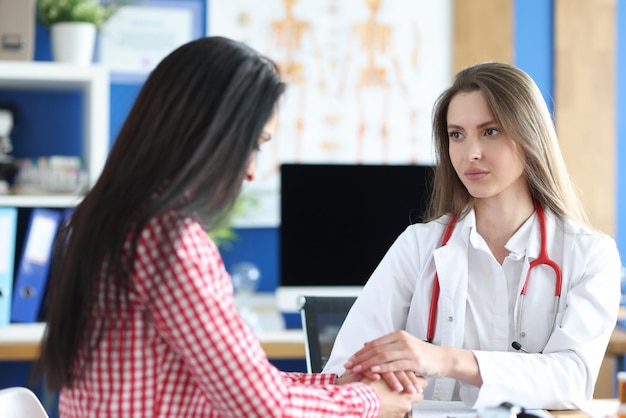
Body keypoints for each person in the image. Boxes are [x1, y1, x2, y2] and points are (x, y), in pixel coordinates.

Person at [37, 36, 425, 418]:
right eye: (253, 145)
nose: (253, 171)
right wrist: (368, 401)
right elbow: (261, 407)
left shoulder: (102, 219)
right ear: (209, 134)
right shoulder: (168, 240)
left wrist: (338, 386)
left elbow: (237, 388)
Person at [324, 61, 622, 410]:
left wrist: (447, 360)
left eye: (490, 131)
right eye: (457, 135)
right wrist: (378, 378)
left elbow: (572, 378)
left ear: (529, 136)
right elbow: (345, 369)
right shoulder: (418, 245)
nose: (470, 153)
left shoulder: (590, 254)